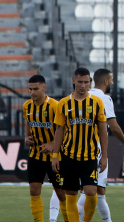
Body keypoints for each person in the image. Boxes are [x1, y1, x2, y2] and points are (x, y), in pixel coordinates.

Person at [46, 68, 109, 222]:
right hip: (69, 156)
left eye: (86, 82)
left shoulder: (97, 102)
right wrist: (55, 155)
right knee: (71, 194)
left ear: (90, 83)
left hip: (89, 156)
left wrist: (104, 156)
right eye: (80, 82)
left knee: (91, 192)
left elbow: (103, 130)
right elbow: (59, 130)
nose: (83, 85)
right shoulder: (64, 103)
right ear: (74, 80)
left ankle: (86, 220)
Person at [81, 69, 124, 222]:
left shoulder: (83, 95)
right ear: (106, 81)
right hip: (96, 149)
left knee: (98, 191)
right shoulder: (104, 98)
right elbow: (113, 126)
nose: (112, 83)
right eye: (111, 80)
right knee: (91, 190)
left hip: (79, 147)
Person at [24, 74, 67, 222]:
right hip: (35, 156)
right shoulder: (27, 106)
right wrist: (27, 137)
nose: (32, 92)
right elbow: (29, 123)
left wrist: (52, 144)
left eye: (35, 89)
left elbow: (65, 130)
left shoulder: (55, 106)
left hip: (56, 157)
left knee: (61, 193)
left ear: (44, 88)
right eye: (30, 89)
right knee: (34, 191)